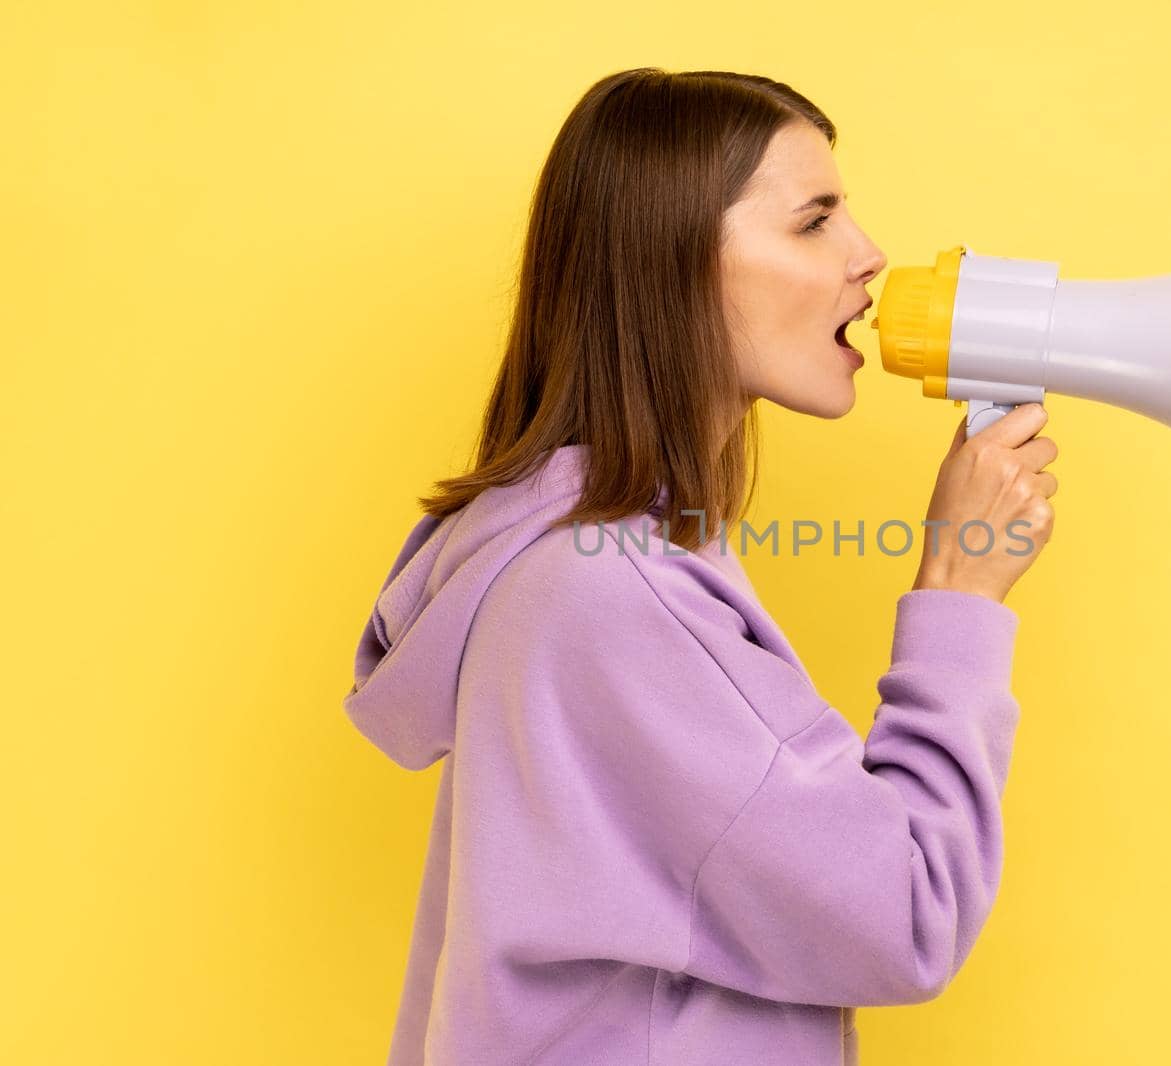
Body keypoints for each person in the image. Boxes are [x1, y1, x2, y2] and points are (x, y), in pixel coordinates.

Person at [342, 66, 1058, 1066]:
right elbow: (904, 915)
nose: (870, 257)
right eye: (814, 221)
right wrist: (960, 591)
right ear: (672, 263)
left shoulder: (580, 566)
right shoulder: (611, 597)